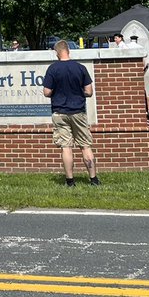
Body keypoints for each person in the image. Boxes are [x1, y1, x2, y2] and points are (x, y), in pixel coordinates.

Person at [42, 40, 99, 187]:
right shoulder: (80, 68)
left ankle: (70, 181)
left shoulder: (52, 69)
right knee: (85, 145)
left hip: (60, 112)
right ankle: (93, 179)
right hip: (78, 111)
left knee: (66, 147)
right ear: (69, 51)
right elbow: (89, 92)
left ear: (56, 52)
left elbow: (47, 92)